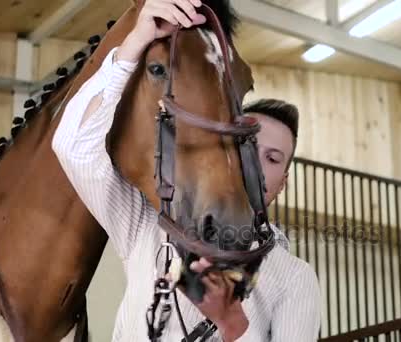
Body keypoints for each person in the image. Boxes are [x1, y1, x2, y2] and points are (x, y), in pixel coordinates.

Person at [51, 0, 320, 341]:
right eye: (246, 144)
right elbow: (73, 147)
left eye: (273, 158)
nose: (252, 162)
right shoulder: (146, 228)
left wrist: (232, 325)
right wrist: (135, 43)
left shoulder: (292, 277)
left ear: (282, 182)